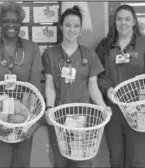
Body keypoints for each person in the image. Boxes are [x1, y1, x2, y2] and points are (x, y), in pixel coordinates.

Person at [95, 4, 145, 168]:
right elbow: (97, 76)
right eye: (119, 19)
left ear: (134, 22)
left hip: (140, 111)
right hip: (114, 110)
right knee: (116, 159)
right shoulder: (105, 46)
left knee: (137, 160)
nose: (123, 23)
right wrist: (107, 89)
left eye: (127, 19)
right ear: (114, 22)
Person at [0, 1, 43, 167]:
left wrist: (32, 123)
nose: (11, 24)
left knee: (22, 163)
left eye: (15, 20)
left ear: (21, 23)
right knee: (1, 163)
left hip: (25, 119)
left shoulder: (31, 48)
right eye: (6, 21)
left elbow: (35, 88)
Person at [42, 6, 109, 168]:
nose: (72, 29)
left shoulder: (89, 55)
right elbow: (49, 85)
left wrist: (103, 107)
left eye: (76, 25)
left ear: (80, 29)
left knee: (82, 162)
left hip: (83, 118)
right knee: (59, 160)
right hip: (58, 117)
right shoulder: (50, 54)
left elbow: (93, 86)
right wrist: (50, 108)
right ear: (61, 27)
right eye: (68, 25)